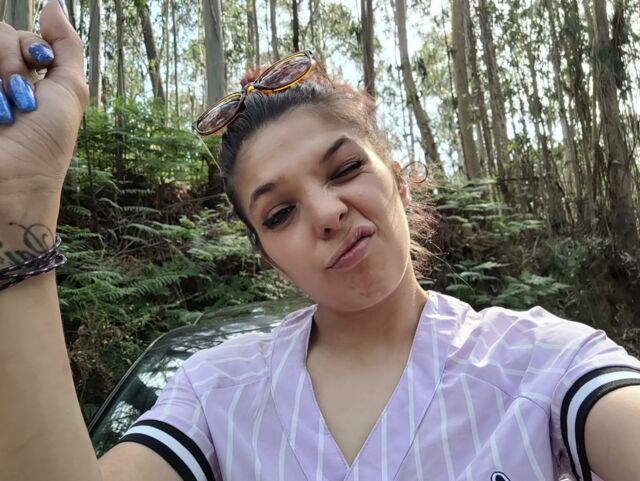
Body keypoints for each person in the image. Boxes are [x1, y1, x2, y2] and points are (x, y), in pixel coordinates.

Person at [1, 2, 639, 481]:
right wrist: (18, 206)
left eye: (345, 169)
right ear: (267, 254)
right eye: (280, 213)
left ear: (397, 177)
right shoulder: (213, 396)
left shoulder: (544, 364)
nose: (329, 213)